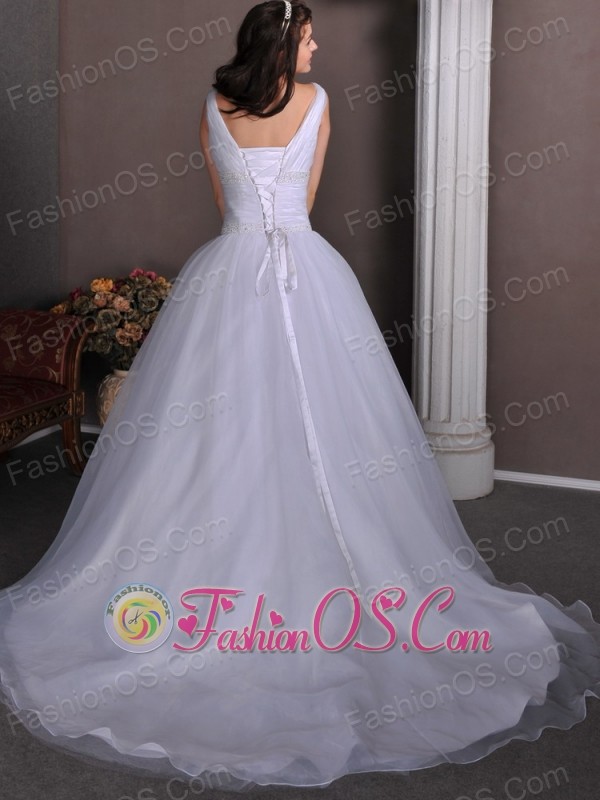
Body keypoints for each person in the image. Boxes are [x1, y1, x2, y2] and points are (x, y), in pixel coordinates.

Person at [0, 0, 599, 793]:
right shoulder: (316, 103)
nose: (318, 46)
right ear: (284, 43)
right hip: (307, 276)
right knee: (327, 424)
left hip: (226, 276)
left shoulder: (213, 104)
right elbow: (304, 204)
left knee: (210, 434)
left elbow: (225, 200)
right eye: (310, 36)